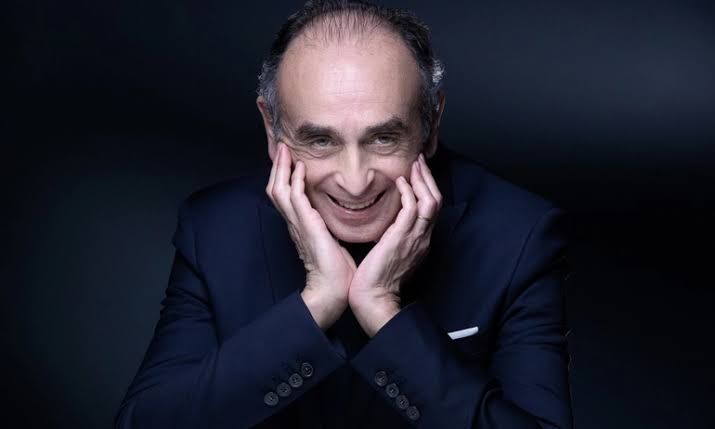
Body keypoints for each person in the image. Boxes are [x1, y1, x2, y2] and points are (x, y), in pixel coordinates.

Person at [116, 1, 573, 428]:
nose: (355, 182)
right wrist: (316, 303)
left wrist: (385, 313)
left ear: (431, 123)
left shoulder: (519, 236)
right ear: (272, 130)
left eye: (384, 138)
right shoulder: (215, 229)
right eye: (321, 141)